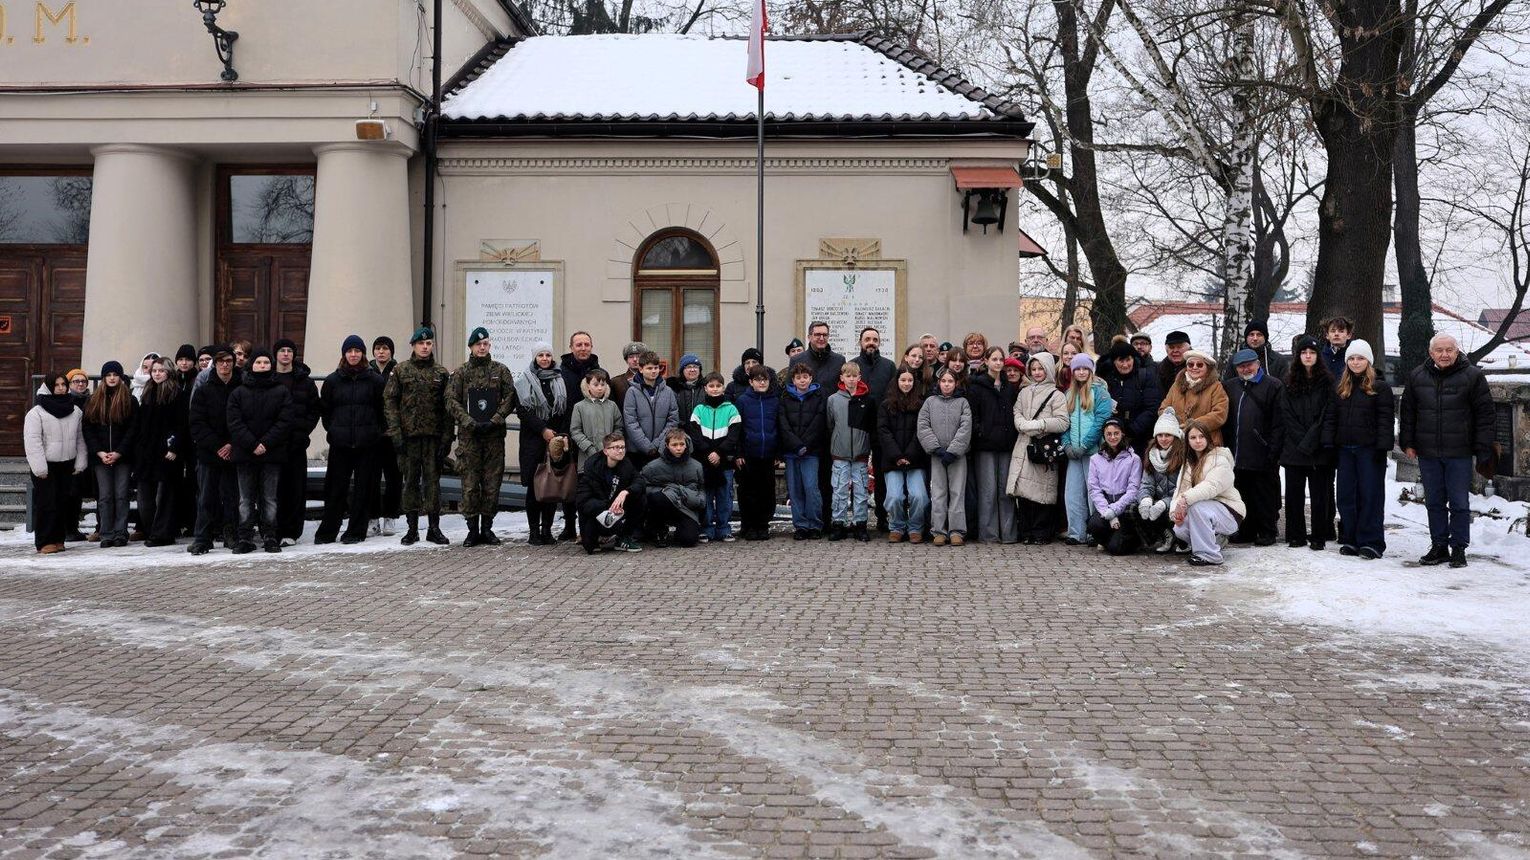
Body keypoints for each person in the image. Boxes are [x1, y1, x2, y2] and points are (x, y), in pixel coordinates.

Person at [1400, 334, 1496, 568]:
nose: (1444, 354)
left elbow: (1485, 415)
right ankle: (1439, 546)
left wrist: (1483, 447)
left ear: (1457, 351)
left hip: (1459, 451)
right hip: (1428, 450)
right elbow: (1408, 413)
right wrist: (1407, 442)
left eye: (1449, 350)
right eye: (1440, 350)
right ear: (1431, 353)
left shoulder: (1473, 376)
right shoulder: (1417, 376)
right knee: (1434, 501)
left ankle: (1459, 548)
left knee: (1459, 503)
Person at [446, 327, 518, 547]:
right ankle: (472, 530)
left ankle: (487, 528)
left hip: (493, 437)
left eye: (485, 344)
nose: (482, 347)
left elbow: (510, 397)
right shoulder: (461, 373)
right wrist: (468, 421)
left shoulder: (500, 370)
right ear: (471, 347)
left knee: (491, 483)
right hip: (470, 437)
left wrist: (495, 419)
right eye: (478, 344)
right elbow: (451, 401)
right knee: (469, 484)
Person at [1324, 339, 1394, 559]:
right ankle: (1351, 537)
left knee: (1370, 495)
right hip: (1345, 449)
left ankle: (1371, 540)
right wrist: (1329, 442)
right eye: (1352, 358)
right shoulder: (1340, 386)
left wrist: (1382, 447)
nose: (1355, 362)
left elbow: (1385, 419)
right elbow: (1331, 417)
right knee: (1346, 496)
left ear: (1368, 361)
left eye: (1360, 358)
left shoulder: (1379, 387)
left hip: (1369, 450)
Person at [383, 325, 452, 546]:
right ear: (413, 345)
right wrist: (395, 433)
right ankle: (411, 529)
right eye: (421, 343)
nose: (425, 347)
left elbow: (448, 408)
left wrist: (447, 438)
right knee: (410, 482)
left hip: (433, 438)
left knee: (433, 483)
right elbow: (390, 403)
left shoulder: (441, 373)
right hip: (408, 438)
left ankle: (434, 528)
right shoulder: (401, 371)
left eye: (428, 343)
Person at [314, 335, 385, 545]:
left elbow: (383, 411)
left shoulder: (374, 380)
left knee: (363, 489)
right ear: (344, 354)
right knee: (335, 489)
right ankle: (328, 531)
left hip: (367, 444)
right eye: (349, 351)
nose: (353, 355)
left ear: (363, 353)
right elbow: (325, 411)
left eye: (357, 351)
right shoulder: (332, 380)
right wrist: (334, 430)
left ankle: (356, 530)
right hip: (340, 443)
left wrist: (375, 432)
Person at [226, 348, 294, 554]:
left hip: (271, 453)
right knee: (246, 498)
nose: (262, 366)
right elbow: (234, 422)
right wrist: (252, 444)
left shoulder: (281, 391)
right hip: (245, 454)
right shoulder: (238, 392)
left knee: (269, 498)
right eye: (258, 363)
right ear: (251, 365)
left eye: (266, 362)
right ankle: (245, 537)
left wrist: (265, 443)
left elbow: (285, 420)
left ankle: (270, 535)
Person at [1222, 347, 1284, 546]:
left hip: (1263, 451)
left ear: (1258, 364)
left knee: (1264, 494)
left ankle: (1267, 531)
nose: (1245, 369)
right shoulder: (1230, 386)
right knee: (1242, 493)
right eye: (1240, 366)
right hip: (1237, 451)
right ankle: (1245, 530)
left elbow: (1279, 421)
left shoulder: (1273, 385)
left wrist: (1273, 449)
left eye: (1249, 364)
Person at [1280, 336, 1337, 550]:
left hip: (1319, 448)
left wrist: (1312, 439)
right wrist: (1302, 440)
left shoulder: (1328, 381)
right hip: (1294, 448)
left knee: (1320, 495)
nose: (1308, 356)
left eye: (1312, 353)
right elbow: (1286, 413)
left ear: (1317, 356)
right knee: (1294, 495)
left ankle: (1319, 536)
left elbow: (1328, 413)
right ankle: (1296, 535)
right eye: (1304, 352)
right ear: (1298, 356)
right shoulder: (1289, 381)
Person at [1008, 352, 1069, 545]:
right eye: (1033, 369)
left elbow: (1062, 422)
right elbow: (1017, 411)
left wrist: (1036, 425)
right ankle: (1026, 530)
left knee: (1042, 493)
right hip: (1024, 446)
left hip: (1044, 448)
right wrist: (1021, 424)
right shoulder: (1024, 392)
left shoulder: (1057, 395)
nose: (1036, 372)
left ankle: (1041, 531)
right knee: (1024, 492)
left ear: (1049, 369)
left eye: (1040, 368)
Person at [515, 341, 573, 545]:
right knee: (534, 487)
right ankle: (533, 532)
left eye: (548, 355)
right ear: (535, 358)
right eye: (541, 355)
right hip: (533, 440)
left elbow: (564, 409)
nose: (545, 359)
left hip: (555, 440)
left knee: (551, 485)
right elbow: (523, 411)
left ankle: (547, 531)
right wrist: (543, 430)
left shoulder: (560, 378)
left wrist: (559, 433)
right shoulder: (524, 380)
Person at [187, 348, 242, 554]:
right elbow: (197, 422)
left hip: (235, 451)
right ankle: (202, 538)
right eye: (220, 361)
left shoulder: (241, 389)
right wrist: (217, 445)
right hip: (209, 453)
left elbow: (244, 420)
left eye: (228, 361)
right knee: (206, 497)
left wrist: (231, 444)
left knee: (232, 497)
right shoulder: (203, 390)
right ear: (215, 364)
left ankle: (231, 535)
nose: (225, 365)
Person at [25, 372, 86, 554]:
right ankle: (44, 541)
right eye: (57, 385)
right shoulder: (36, 413)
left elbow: (80, 439)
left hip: (66, 463)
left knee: (62, 502)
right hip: (46, 465)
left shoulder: (75, 411)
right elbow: (32, 441)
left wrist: (80, 462)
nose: (61, 388)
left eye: (63, 384)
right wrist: (39, 467)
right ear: (49, 387)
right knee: (46, 503)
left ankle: (59, 539)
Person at [1171, 420, 1246, 566]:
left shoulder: (1220, 458)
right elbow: (1180, 491)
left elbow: (1211, 486)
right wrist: (1175, 513)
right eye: (1193, 438)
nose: (1198, 441)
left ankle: (1210, 555)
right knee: (1179, 528)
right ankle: (1216, 539)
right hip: (1205, 511)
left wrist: (1185, 500)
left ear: (1208, 438)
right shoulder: (1188, 463)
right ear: (1187, 440)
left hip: (1230, 512)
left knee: (1197, 508)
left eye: (1201, 436)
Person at [134, 358, 190, 547]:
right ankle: (152, 531)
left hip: (166, 451)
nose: (157, 373)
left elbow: (181, 424)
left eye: (161, 370)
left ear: (169, 372)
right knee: (144, 497)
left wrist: (174, 448)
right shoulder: (148, 392)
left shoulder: (177, 394)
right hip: (147, 452)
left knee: (164, 495)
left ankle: (163, 533)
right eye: (154, 370)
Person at [1060, 354, 1115, 545]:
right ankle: (1076, 532)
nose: (1081, 372)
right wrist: (1067, 444)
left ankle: (1095, 532)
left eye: (1085, 369)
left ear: (1091, 371)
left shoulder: (1100, 392)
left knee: (1094, 493)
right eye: (1077, 369)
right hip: (1073, 452)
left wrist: (1085, 445)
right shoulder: (1069, 394)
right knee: (1073, 493)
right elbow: (1064, 422)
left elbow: (1101, 421)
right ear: (1073, 372)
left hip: (1093, 452)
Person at [83, 360, 137, 547]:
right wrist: (99, 452)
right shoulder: (93, 400)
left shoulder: (130, 400)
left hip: (122, 457)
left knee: (121, 495)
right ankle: (106, 533)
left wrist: (119, 452)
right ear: (104, 378)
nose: (112, 378)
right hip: (101, 458)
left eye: (115, 375)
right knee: (104, 497)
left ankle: (121, 532)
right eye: (108, 375)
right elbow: (88, 429)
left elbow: (132, 429)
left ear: (121, 378)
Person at [967, 346, 1018, 543]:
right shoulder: (977, 386)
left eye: (1000, 359)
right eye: (994, 359)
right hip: (985, 446)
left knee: (1006, 491)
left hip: (1006, 445)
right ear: (986, 361)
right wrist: (981, 432)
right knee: (988, 491)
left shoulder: (1008, 387)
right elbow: (973, 415)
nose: (998, 363)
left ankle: (1009, 534)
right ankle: (988, 534)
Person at [272, 338, 321, 545]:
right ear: (275, 354)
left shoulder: (305, 382)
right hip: (272, 444)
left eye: (289, 351)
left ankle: (291, 532)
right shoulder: (268, 379)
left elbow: (314, 410)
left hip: (296, 443)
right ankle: (272, 529)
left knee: (295, 489)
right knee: (273, 489)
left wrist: (303, 433)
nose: (285, 354)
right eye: (282, 350)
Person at [918, 370, 972, 546]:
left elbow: (965, 427)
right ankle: (938, 530)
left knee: (957, 492)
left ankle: (956, 530)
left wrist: (954, 450)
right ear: (938, 383)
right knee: (938, 492)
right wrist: (936, 448)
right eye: (944, 381)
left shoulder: (963, 403)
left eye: (950, 381)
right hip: (937, 455)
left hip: (957, 456)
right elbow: (923, 426)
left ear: (956, 383)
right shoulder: (930, 402)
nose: (947, 384)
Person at [688, 371, 742, 542]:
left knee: (724, 496)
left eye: (718, 386)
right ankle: (707, 528)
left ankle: (724, 528)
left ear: (723, 387)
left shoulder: (731, 409)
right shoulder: (699, 409)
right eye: (711, 386)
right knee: (706, 496)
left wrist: (719, 452)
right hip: (704, 460)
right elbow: (694, 435)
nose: (715, 389)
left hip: (724, 461)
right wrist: (708, 453)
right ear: (705, 388)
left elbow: (734, 435)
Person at [879, 367, 929, 543]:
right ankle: (897, 526)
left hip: (915, 459)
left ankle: (915, 527)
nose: (906, 384)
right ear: (897, 382)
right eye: (903, 380)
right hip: (893, 460)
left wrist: (910, 455)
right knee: (894, 497)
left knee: (919, 496)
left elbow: (922, 431)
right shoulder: (886, 405)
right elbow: (883, 431)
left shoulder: (922, 405)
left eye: (910, 380)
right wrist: (897, 455)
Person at [778, 362, 827, 540]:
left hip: (811, 451)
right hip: (792, 452)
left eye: (805, 377)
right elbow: (783, 424)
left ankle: (814, 524)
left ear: (811, 378)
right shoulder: (785, 398)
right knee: (795, 489)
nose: (802, 380)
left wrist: (805, 445)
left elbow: (819, 423)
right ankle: (800, 525)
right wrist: (796, 445)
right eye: (798, 377)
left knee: (811, 488)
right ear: (793, 380)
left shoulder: (819, 397)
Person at [826, 361, 873, 542]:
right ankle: (838, 523)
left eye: (855, 376)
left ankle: (860, 523)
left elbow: (869, 425)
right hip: (840, 453)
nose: (851, 380)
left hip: (860, 453)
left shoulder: (866, 399)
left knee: (861, 491)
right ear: (842, 378)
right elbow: (831, 424)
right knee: (839, 490)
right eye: (848, 376)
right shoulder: (833, 400)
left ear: (859, 378)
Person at [634, 428, 705, 547]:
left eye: (682, 444)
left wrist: (699, 500)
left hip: (686, 507)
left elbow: (701, 488)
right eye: (674, 445)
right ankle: (657, 529)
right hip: (663, 505)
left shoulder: (696, 466)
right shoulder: (653, 466)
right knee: (659, 498)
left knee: (689, 540)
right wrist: (668, 492)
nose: (678, 448)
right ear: (667, 445)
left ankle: (680, 531)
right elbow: (643, 487)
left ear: (687, 445)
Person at [575, 431, 645, 554]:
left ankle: (623, 538)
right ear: (606, 451)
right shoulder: (592, 468)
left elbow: (639, 481)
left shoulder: (626, 465)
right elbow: (582, 501)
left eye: (623, 447)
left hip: (617, 511)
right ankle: (596, 537)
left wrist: (626, 491)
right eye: (616, 447)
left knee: (641, 498)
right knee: (591, 547)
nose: (621, 451)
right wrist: (608, 507)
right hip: (598, 514)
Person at [734, 365, 781, 541]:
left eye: (765, 380)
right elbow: (737, 429)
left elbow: (779, 426)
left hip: (768, 454)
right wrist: (738, 453)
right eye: (758, 380)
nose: (762, 383)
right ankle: (749, 525)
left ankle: (763, 525)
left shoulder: (775, 401)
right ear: (751, 382)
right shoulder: (742, 401)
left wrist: (778, 453)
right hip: (748, 455)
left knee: (766, 492)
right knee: (748, 492)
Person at [1086, 418, 1143, 556]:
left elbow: (1133, 489)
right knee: (1094, 524)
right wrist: (1108, 513)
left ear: (1122, 433)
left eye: (1116, 433)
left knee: (1116, 549)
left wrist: (1115, 510)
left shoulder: (1133, 459)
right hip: (1106, 503)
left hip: (1124, 505)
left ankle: (1131, 540)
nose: (1112, 437)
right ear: (1104, 436)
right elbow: (1094, 489)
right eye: (1109, 434)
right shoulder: (1095, 459)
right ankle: (1111, 539)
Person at [1101, 341, 1164, 455]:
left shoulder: (1145, 376)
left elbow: (1152, 407)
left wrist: (1132, 430)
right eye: (1121, 360)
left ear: (1133, 359)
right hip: (1114, 437)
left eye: (1128, 360)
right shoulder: (1107, 380)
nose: (1125, 365)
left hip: (1141, 437)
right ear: (1114, 361)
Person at [1136, 409, 1185, 553]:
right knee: (1136, 508)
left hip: (1178, 501)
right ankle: (1164, 535)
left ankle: (1182, 539)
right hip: (1159, 499)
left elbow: (1183, 488)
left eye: (1168, 435)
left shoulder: (1184, 454)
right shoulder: (1151, 454)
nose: (1163, 439)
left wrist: (1165, 503)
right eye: (1160, 435)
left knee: (1168, 509)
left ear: (1175, 436)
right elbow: (1146, 484)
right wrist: (1145, 499)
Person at [623, 350, 679, 470]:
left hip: (661, 450)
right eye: (649, 368)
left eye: (656, 368)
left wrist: (659, 443)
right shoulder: (632, 392)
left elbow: (673, 420)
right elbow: (631, 422)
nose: (654, 371)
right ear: (641, 369)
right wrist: (646, 446)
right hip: (637, 451)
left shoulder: (668, 391)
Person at [368, 335, 401, 537]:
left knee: (394, 477)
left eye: (385, 348)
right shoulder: (367, 371)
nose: (381, 352)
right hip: (372, 433)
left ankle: (391, 516)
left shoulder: (398, 371)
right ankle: (372, 518)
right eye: (378, 348)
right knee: (371, 477)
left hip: (392, 433)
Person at [1159, 349, 1228, 444]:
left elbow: (1220, 414)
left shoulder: (1216, 386)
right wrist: (1174, 421)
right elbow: (1164, 408)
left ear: (1207, 367)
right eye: (1190, 364)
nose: (1194, 367)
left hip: (1207, 442)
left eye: (1199, 365)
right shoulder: (1176, 385)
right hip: (1179, 441)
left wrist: (1194, 425)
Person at [570, 368, 621, 472]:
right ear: (588, 385)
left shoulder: (612, 406)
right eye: (596, 384)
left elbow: (618, 427)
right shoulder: (579, 406)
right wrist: (589, 448)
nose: (600, 388)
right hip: (587, 457)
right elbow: (575, 431)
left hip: (610, 456)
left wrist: (612, 446)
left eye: (603, 385)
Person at [1221, 320, 1290, 381]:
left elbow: (1284, 390)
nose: (1255, 338)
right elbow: (1227, 387)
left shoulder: (1279, 361)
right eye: (1251, 334)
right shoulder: (1234, 360)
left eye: (1259, 335)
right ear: (1246, 337)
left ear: (1265, 338)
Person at [559, 331, 601, 408]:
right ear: (571, 348)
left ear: (591, 347)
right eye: (579, 345)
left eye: (587, 345)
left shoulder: (602, 374)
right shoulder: (559, 374)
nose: (583, 348)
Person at [668, 353, 706, 425]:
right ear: (682, 370)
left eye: (695, 367)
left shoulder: (706, 387)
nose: (692, 370)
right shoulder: (674, 388)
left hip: (701, 431)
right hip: (680, 432)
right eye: (688, 367)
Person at [608, 341, 649, 406]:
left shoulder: (651, 380)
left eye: (638, 356)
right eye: (631, 357)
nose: (635, 359)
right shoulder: (615, 382)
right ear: (626, 360)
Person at [1320, 316, 1353, 381]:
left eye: (1341, 331)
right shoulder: (1319, 356)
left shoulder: (1354, 356)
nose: (1336, 334)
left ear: (1349, 335)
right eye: (1333, 331)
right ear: (1327, 335)